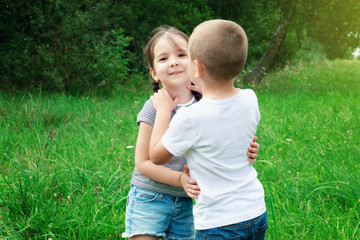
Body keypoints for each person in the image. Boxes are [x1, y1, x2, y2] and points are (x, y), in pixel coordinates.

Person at [122, 25, 260, 240]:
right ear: (153, 73)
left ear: (196, 63)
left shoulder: (204, 105)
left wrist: (246, 149)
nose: (174, 62)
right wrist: (180, 179)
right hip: (150, 196)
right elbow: (143, 162)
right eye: (163, 58)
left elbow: (222, 142)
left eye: (181, 54)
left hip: (188, 199)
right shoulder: (154, 108)